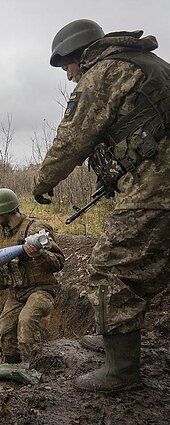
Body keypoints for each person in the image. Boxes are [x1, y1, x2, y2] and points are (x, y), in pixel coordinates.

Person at [33, 19, 169, 391]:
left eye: (67, 68)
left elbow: (72, 138)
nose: (69, 77)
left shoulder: (103, 73)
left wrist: (43, 183)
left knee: (111, 268)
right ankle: (115, 341)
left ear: (78, 55)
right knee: (150, 266)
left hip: (155, 191)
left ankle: (121, 369)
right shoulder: (153, 66)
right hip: (158, 187)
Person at [0, 188, 64, 364]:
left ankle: (34, 365)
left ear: (5, 210)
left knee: (26, 321)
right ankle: (12, 366)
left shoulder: (36, 230)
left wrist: (38, 255)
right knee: (6, 328)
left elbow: (58, 262)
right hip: (16, 292)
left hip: (41, 290)